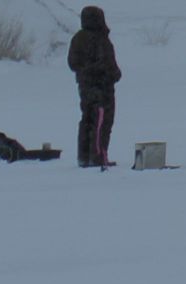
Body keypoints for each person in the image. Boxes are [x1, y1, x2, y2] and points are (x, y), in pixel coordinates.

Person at [68, 6, 122, 167]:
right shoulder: (99, 39)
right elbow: (106, 64)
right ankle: (97, 156)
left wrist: (85, 73)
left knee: (88, 120)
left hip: (84, 87)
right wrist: (114, 74)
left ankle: (84, 157)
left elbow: (73, 63)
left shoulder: (77, 38)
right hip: (102, 88)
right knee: (101, 121)